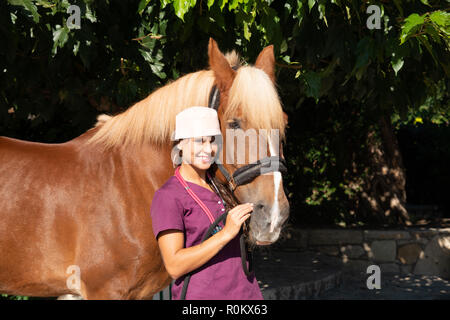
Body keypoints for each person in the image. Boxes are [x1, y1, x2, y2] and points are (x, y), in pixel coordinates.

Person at [150, 106, 263, 300]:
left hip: (247, 295)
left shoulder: (223, 184)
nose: (208, 149)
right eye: (199, 141)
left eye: (212, 141)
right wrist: (226, 233)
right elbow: (174, 266)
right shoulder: (168, 196)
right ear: (181, 145)